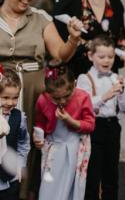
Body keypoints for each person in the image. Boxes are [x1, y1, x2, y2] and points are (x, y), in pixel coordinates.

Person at [0, 0, 83, 199]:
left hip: (35, 95)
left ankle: (27, 194)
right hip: (2, 94)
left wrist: (73, 39)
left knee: (33, 150)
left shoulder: (41, 18)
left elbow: (60, 54)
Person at [76, 36, 125, 200]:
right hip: (94, 128)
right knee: (92, 175)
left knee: (111, 175)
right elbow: (82, 107)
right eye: (102, 57)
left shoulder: (116, 78)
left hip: (112, 127)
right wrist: (106, 95)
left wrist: (121, 93)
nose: (107, 60)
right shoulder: (84, 79)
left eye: (111, 56)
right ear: (91, 56)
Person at [34, 65, 95, 200]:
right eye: (56, 98)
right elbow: (40, 123)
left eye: (66, 96)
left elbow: (90, 125)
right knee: (48, 187)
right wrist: (38, 136)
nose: (62, 101)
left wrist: (71, 121)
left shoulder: (82, 97)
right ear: (48, 92)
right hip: (54, 150)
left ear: (74, 84)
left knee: (70, 187)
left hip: (74, 148)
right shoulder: (43, 100)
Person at [0, 68, 30, 200]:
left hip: (10, 179)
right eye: (5, 97)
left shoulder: (19, 117)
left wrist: (20, 164)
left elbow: (23, 143)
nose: (10, 102)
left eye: (15, 98)